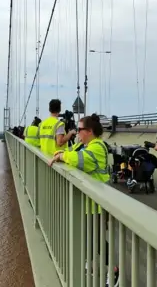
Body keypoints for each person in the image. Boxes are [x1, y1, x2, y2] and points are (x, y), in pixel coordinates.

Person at [48, 114, 119, 287]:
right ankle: (96, 264)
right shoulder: (85, 144)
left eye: (80, 130)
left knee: (97, 240)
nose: (76, 132)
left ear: (90, 131)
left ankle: (115, 272)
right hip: (87, 202)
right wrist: (61, 153)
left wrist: (62, 156)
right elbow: (70, 152)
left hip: (96, 203)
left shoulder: (97, 146)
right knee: (89, 237)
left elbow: (79, 160)